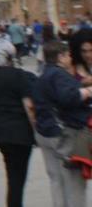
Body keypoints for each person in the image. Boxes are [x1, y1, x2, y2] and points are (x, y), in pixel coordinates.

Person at [32, 40, 92, 206]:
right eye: (68, 55)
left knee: (56, 180)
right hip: (63, 134)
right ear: (61, 57)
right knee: (74, 183)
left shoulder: (43, 75)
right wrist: (87, 91)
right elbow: (68, 97)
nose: (71, 58)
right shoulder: (59, 75)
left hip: (44, 132)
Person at [0, 48, 37, 207]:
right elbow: (29, 106)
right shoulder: (19, 75)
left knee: (12, 174)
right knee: (18, 177)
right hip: (19, 130)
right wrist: (36, 131)